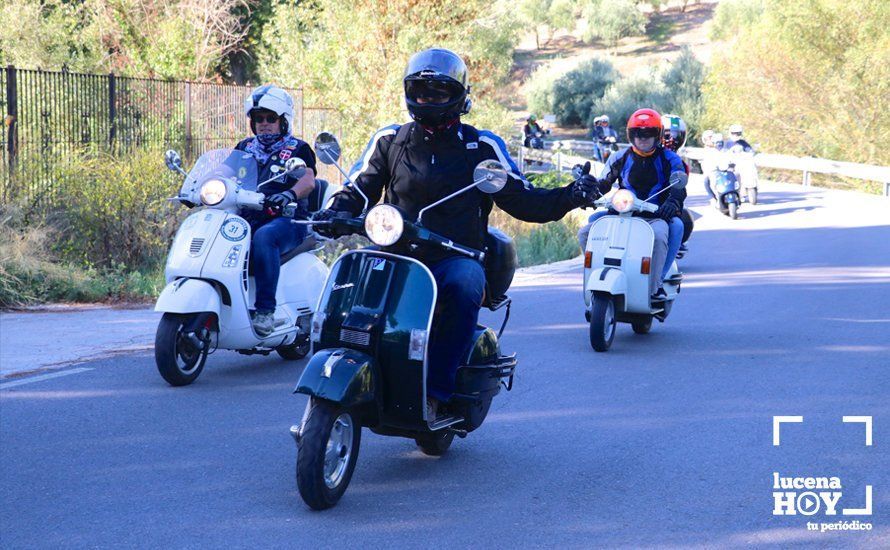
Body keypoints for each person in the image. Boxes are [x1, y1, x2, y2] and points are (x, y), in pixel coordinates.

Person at [315, 48, 595, 418]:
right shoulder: (392, 140)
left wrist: (572, 195)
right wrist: (335, 212)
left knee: (466, 285)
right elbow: (359, 186)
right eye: (420, 91)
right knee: (349, 291)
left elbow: (525, 201)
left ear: (459, 95)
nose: (428, 99)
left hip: (454, 257)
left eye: (438, 92)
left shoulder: (481, 147)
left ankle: (436, 391)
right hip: (394, 252)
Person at [576, 108, 688, 299]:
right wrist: (587, 190)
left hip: (654, 216)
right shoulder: (619, 157)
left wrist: (672, 202)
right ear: (631, 135)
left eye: (648, 134)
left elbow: (679, 187)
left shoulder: (670, 159)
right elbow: (604, 183)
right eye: (637, 133)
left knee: (661, 237)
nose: (642, 138)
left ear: (658, 135)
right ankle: (599, 279)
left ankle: (655, 286)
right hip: (621, 214)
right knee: (585, 232)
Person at [235, 85, 317, 336]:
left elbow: (308, 180)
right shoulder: (244, 147)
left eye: (271, 118)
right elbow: (223, 173)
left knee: (265, 237)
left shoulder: (298, 149)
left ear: (283, 121)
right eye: (259, 119)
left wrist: (289, 194)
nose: (264, 124)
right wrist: (201, 188)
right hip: (248, 217)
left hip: (288, 221)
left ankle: (265, 312)